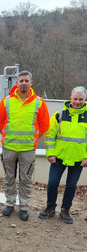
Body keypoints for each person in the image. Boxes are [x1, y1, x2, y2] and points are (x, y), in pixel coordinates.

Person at [0, 70, 50, 221]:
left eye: (26, 81)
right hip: (9, 148)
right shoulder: (6, 101)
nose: (23, 83)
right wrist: (7, 135)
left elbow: (45, 124)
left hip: (27, 149)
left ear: (31, 83)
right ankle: (10, 204)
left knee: (25, 179)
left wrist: (34, 138)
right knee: (9, 177)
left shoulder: (39, 102)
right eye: (21, 81)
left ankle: (24, 207)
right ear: (16, 83)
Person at [38, 86, 87, 224]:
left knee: (71, 185)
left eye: (81, 99)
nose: (77, 102)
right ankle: (50, 207)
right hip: (58, 157)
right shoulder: (60, 114)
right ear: (70, 98)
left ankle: (65, 210)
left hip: (78, 159)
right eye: (75, 99)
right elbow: (49, 135)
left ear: (85, 99)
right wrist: (50, 153)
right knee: (52, 183)